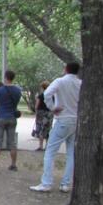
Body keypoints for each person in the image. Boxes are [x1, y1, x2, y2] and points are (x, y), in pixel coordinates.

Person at [29, 62, 82, 193]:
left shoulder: (60, 81)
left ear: (66, 69)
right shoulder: (80, 83)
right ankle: (66, 183)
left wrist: (52, 108)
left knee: (50, 151)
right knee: (71, 153)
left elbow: (47, 94)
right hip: (75, 120)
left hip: (62, 119)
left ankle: (46, 183)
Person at [31, 81, 53, 151]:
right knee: (48, 129)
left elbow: (37, 106)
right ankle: (47, 146)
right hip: (49, 114)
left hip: (41, 114)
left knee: (40, 129)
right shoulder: (52, 95)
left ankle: (40, 146)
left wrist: (36, 112)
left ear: (42, 87)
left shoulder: (40, 96)